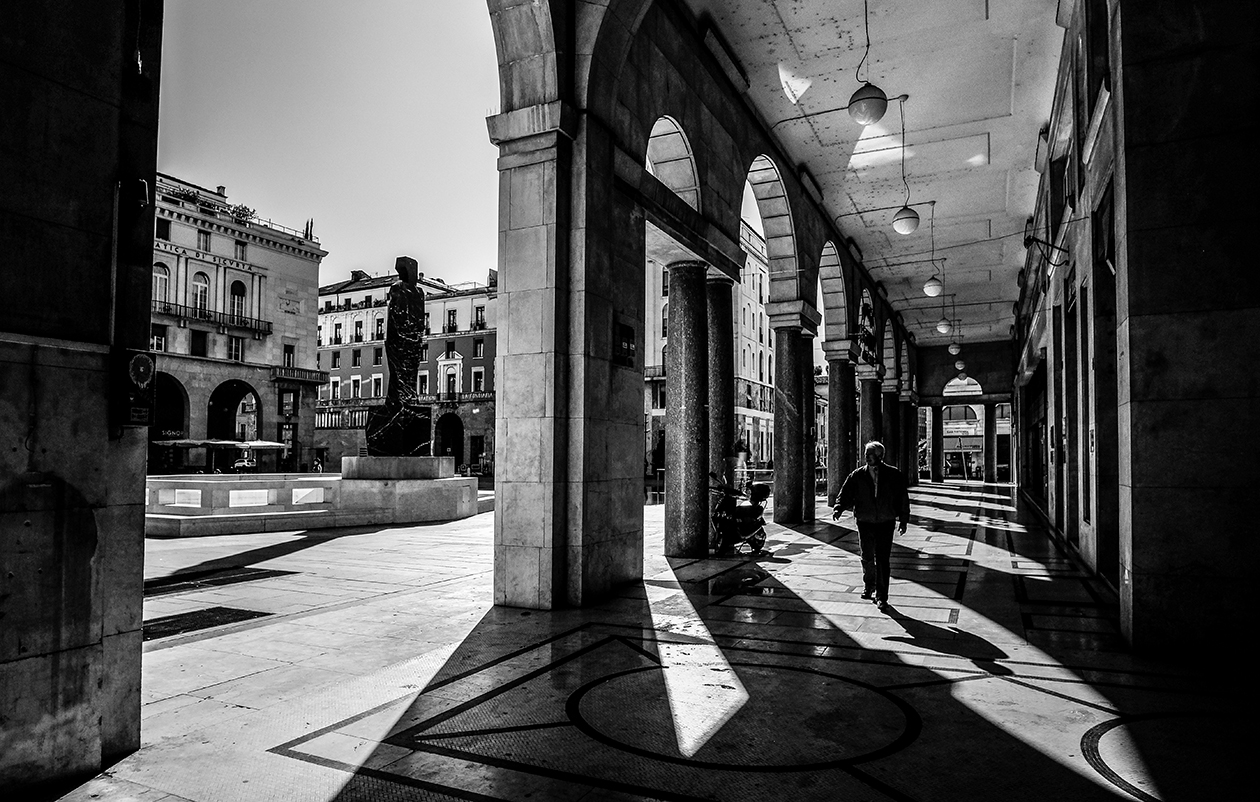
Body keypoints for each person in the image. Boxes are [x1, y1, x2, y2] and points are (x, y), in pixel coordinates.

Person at [832, 441, 910, 611]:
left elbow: (902, 497)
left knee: (882, 559)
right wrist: (838, 508)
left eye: (870, 454)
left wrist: (904, 519)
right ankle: (869, 585)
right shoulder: (857, 475)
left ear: (880, 456)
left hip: (885, 521)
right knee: (867, 555)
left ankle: (882, 596)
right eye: (866, 454)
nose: (866, 457)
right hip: (865, 521)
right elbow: (845, 493)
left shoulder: (893, 475)